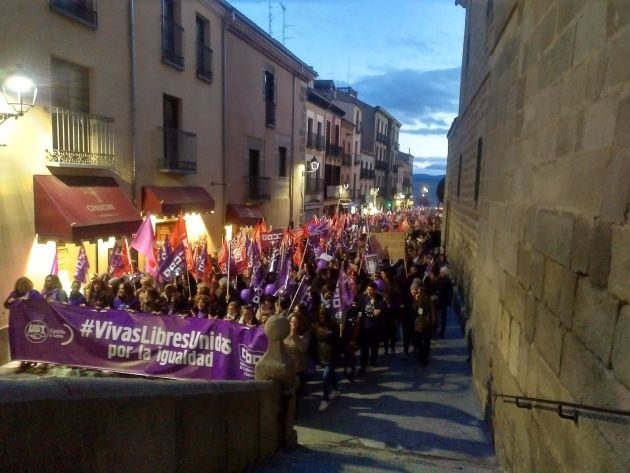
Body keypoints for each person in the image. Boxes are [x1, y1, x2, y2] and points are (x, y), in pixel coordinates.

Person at [355, 282, 384, 376]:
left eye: (371, 290)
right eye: (368, 289)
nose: (369, 292)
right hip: (365, 325)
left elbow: (382, 308)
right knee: (364, 347)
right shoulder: (362, 298)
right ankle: (363, 364)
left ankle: (373, 360)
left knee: (374, 345)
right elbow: (359, 309)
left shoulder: (380, 298)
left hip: (376, 325)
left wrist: (379, 311)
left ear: (375, 290)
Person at [314, 308, 340, 411]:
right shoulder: (318, 326)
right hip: (323, 354)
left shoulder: (333, 325)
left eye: (323, 316)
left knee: (325, 377)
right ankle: (336, 389)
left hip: (332, 355)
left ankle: (325, 399)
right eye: (320, 316)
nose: (322, 318)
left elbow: (334, 337)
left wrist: (325, 334)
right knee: (331, 374)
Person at [283, 312, 311, 397]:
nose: (293, 325)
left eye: (295, 323)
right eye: (292, 322)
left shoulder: (305, 334)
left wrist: (294, 335)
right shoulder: (285, 332)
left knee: (298, 392)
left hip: (299, 367)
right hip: (288, 366)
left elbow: (303, 348)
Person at [412, 282, 436, 366]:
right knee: (420, 342)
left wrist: (433, 322)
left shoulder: (429, 300)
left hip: (426, 324)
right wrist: (416, 300)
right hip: (419, 324)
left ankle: (424, 358)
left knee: (426, 342)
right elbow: (415, 310)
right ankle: (422, 356)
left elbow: (432, 312)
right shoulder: (417, 300)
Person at [436, 266, 453, 338]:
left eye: (441, 272)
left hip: (442, 301)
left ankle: (441, 332)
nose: (440, 273)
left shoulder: (446, 281)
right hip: (439, 301)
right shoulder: (439, 279)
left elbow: (449, 293)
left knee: (443, 317)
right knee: (438, 316)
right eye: (440, 272)